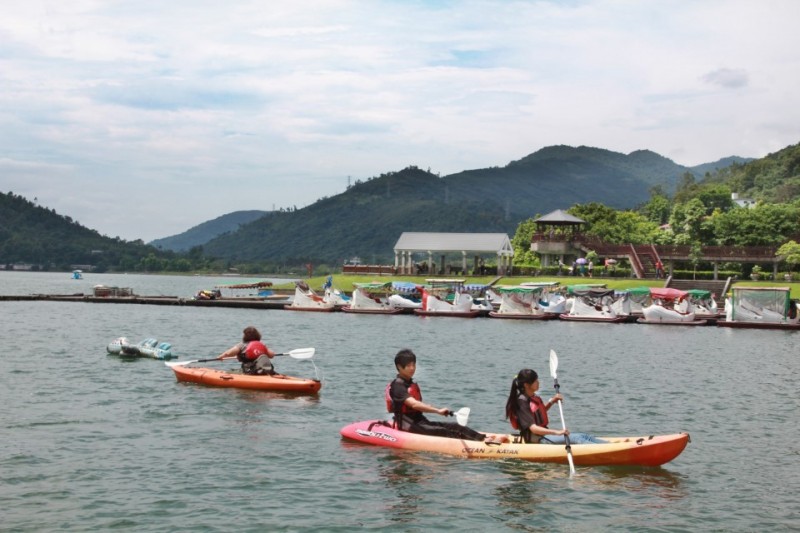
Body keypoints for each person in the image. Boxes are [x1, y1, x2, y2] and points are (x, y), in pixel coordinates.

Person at [387, 349, 506, 443]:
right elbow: (414, 404)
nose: (412, 368)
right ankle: (484, 443)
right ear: (399, 367)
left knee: (455, 426)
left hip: (420, 422)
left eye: (414, 365)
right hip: (408, 425)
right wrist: (437, 411)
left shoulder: (409, 383)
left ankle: (482, 438)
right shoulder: (398, 386)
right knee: (444, 431)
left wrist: (440, 411)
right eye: (408, 366)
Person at [504, 369, 606, 444]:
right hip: (537, 439)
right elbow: (534, 429)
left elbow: (538, 412)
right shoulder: (521, 402)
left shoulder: (531, 397)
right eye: (535, 381)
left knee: (585, 436)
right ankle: (606, 451)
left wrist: (552, 401)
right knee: (577, 439)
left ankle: (614, 446)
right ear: (526, 385)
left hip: (543, 435)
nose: (538, 382)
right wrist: (557, 432)